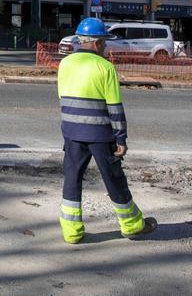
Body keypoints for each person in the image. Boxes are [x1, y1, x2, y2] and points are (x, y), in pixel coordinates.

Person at [57, 17, 157, 244]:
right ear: (97, 43)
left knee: (72, 178)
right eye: (104, 41)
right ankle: (132, 225)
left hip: (72, 132)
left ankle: (71, 232)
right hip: (100, 135)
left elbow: (62, 98)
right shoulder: (105, 67)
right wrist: (121, 137)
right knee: (113, 178)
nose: (105, 46)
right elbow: (114, 108)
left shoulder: (65, 64)